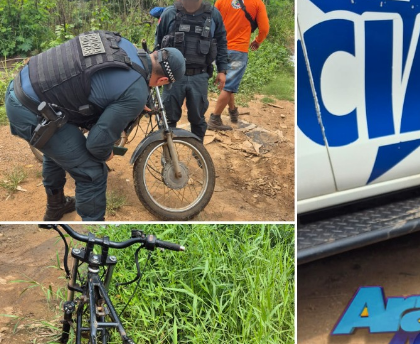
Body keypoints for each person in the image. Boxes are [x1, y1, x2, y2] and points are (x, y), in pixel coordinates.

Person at [5, 32, 186, 221]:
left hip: (23, 85)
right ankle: (93, 230)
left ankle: (56, 206)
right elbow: (96, 145)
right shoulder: (136, 92)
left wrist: (134, 97)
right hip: (30, 110)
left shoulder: (124, 45)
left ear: (156, 53)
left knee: (58, 148)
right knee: (93, 171)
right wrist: (106, 154)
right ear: (163, 81)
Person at [156, 0, 231, 139]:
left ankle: (198, 150)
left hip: (199, 75)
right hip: (172, 77)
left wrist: (222, 70)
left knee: (197, 119)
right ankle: (167, 151)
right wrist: (155, 73)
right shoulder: (169, 13)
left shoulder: (213, 15)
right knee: (168, 119)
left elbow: (221, 42)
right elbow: (158, 44)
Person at [211, 0, 269, 127]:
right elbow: (264, 29)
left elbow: (211, 22)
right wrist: (258, 41)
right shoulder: (257, 3)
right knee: (229, 86)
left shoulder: (221, 1)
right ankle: (215, 118)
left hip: (219, 48)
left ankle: (233, 111)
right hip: (238, 50)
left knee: (228, 82)